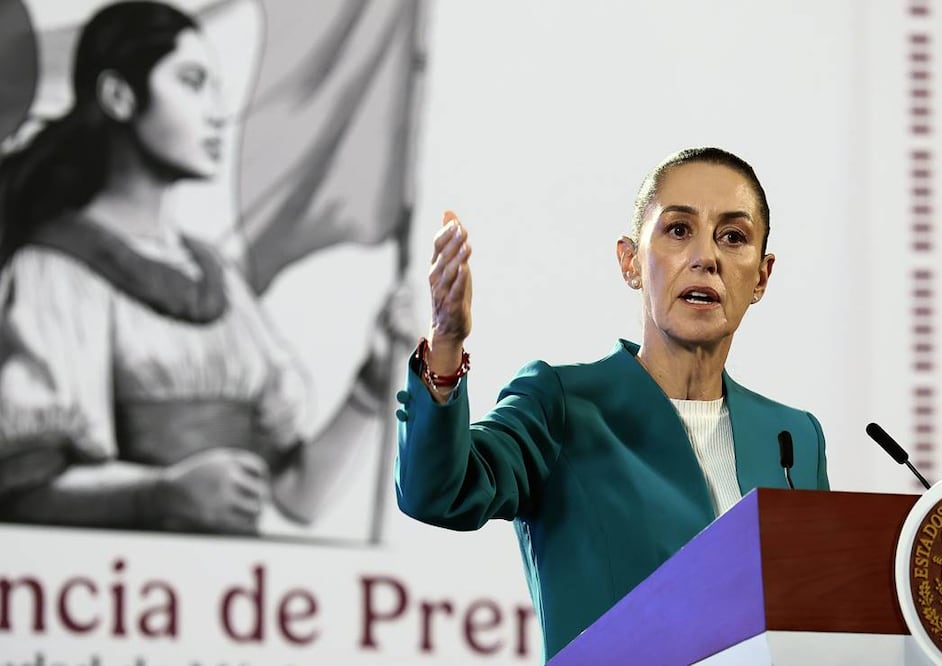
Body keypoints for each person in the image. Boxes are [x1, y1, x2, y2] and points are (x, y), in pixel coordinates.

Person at [395, 147, 831, 660]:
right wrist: (445, 346)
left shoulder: (794, 437)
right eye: (678, 230)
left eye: (733, 237)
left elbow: (819, 620)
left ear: (760, 276)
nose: (706, 257)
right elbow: (437, 491)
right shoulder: (561, 404)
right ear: (630, 262)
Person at [0, 1, 400, 535]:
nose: (217, 111)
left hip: (227, 602)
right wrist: (159, 494)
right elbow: (24, 487)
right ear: (119, 96)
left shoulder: (220, 282)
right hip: (113, 598)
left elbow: (296, 497)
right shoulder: (55, 272)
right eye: (192, 82)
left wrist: (372, 385)